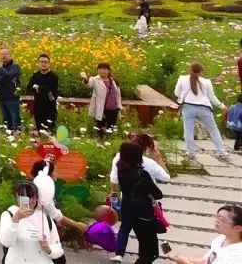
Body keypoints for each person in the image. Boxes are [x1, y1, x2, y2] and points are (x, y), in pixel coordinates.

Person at [109, 133, 170, 262]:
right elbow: (159, 191)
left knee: (124, 228)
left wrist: (114, 195)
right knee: (147, 237)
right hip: (144, 208)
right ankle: (147, 258)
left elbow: (114, 181)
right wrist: (158, 157)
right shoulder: (144, 172)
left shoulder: (121, 169)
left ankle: (119, 253)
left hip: (127, 202)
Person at [0, 181, 64, 263]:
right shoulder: (9, 215)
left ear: (37, 198)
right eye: (24, 197)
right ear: (17, 197)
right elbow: (6, 242)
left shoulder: (46, 219)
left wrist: (49, 250)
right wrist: (15, 220)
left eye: (32, 197)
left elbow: (58, 248)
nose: (28, 201)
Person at [174, 62, 229, 159]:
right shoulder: (207, 82)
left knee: (188, 130)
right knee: (213, 129)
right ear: (201, 71)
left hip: (188, 107)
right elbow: (212, 98)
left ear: (190, 69)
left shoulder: (182, 78)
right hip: (204, 107)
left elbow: (176, 93)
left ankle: (191, 152)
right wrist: (222, 106)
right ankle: (221, 151)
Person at [163, 204, 242, 264]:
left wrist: (185, 263)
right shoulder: (221, 239)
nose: (217, 221)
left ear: (238, 228)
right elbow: (206, 260)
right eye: (217, 217)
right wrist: (182, 259)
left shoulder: (237, 255)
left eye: (222, 220)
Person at [81, 62, 121, 136]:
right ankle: (100, 144)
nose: (102, 71)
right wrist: (85, 79)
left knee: (110, 130)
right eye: (100, 69)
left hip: (114, 109)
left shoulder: (114, 81)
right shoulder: (94, 80)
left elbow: (118, 95)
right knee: (100, 129)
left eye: (104, 69)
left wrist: (119, 106)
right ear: (97, 70)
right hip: (102, 110)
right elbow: (88, 84)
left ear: (109, 71)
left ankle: (109, 144)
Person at [26, 54, 59, 134]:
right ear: (38, 63)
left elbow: (50, 89)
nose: (43, 64)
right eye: (41, 62)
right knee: (40, 129)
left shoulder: (53, 77)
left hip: (50, 107)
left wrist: (39, 87)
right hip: (38, 106)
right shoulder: (35, 75)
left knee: (49, 130)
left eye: (45, 62)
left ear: (49, 64)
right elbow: (29, 87)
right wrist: (36, 87)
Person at [0, 47, 22, 132]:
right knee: (5, 118)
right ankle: (8, 134)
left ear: (10, 55)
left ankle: (17, 133)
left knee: (14, 117)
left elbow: (11, 75)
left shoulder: (15, 65)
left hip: (12, 96)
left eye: (5, 54)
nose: (3, 56)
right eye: (2, 54)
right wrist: (6, 77)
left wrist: (1, 70)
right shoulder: (0, 66)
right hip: (2, 95)